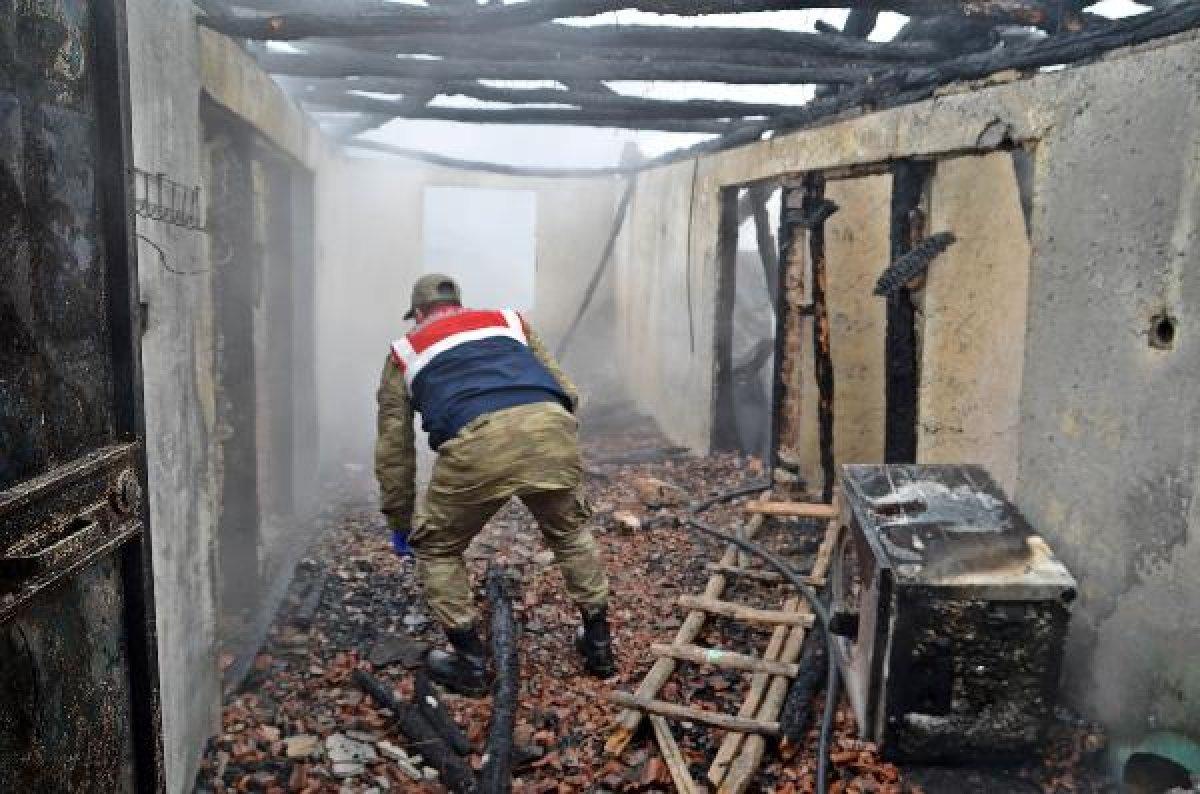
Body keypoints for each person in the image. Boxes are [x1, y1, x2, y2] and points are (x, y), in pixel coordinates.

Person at [374, 273, 616, 696]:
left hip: (476, 444)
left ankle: (470, 664)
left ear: (419, 313)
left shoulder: (404, 352)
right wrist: (548, 434)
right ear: (459, 304)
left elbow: (395, 451)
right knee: (570, 533)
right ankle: (599, 646)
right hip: (549, 428)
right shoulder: (509, 322)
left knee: (437, 548)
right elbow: (568, 392)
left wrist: (400, 520)